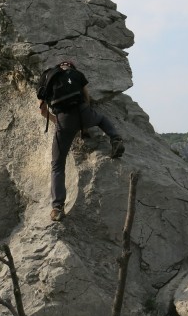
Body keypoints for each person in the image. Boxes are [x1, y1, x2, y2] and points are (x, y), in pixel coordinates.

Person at [39, 61, 124, 222]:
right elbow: (87, 98)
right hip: (84, 112)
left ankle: (57, 207)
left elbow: (42, 110)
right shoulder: (77, 75)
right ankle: (116, 138)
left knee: (57, 165)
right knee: (101, 119)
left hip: (64, 120)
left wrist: (55, 120)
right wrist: (85, 123)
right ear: (71, 67)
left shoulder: (48, 79)